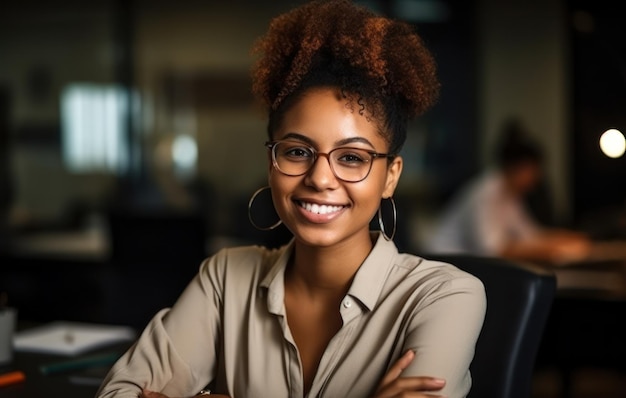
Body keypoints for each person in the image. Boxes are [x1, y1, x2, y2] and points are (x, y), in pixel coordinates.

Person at [95, 1, 486, 397]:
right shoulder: (225, 279)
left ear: (391, 177)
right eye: (298, 151)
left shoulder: (445, 296)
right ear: (271, 162)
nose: (319, 178)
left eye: (352, 158)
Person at [427, 118, 591, 265]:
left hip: (468, 265)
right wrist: (554, 250)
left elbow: (529, 235)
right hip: (444, 263)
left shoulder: (510, 195)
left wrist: (570, 239)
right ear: (517, 168)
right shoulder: (486, 193)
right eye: (532, 171)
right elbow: (492, 250)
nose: (536, 179)